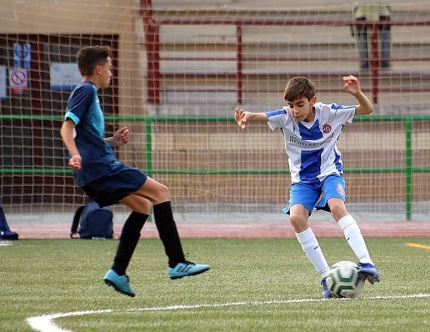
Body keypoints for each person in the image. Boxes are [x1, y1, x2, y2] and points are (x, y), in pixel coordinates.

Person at [60, 45, 210, 297]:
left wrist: (112, 141)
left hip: (94, 170)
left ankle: (117, 272)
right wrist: (74, 154)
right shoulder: (86, 90)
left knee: (142, 206)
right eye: (109, 68)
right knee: (161, 192)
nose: (111, 73)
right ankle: (176, 262)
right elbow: (66, 128)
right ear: (98, 69)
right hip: (102, 168)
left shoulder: (89, 92)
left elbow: (87, 138)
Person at [234, 75, 380, 298]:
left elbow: (367, 110)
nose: (295, 111)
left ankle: (367, 262)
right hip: (302, 180)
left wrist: (357, 93)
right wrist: (246, 116)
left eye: (300, 105)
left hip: (330, 172)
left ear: (313, 100)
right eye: (291, 106)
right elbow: (261, 115)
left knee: (337, 206)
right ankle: (326, 278)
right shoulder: (286, 117)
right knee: (296, 218)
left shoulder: (330, 112)